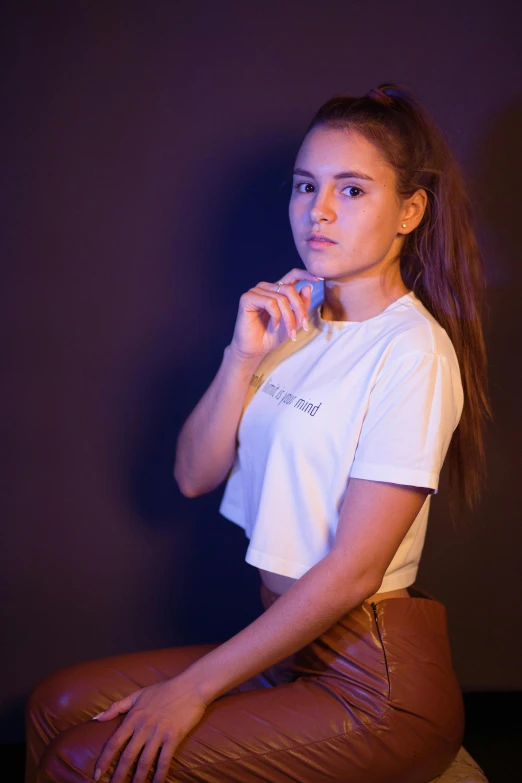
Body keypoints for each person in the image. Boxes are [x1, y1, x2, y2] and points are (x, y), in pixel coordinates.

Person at [25, 82, 492, 783]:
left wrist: (192, 688)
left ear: (410, 210)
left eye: (353, 189)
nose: (319, 211)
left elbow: (355, 570)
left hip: (373, 684)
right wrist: (242, 354)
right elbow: (192, 474)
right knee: (53, 707)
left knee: (84, 761)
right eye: (306, 186)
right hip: (282, 650)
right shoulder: (290, 320)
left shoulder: (411, 352)